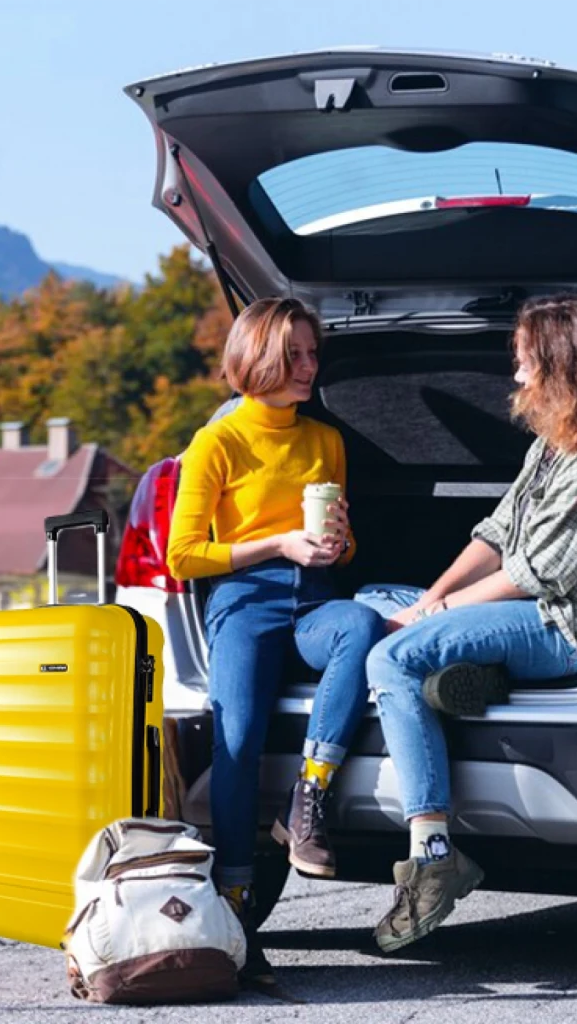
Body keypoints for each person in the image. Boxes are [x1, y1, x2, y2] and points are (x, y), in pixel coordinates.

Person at [356, 294, 577, 953]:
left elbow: (535, 574)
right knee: (375, 598)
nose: (516, 377)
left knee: (389, 657)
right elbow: (498, 533)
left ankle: (435, 856)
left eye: (524, 364)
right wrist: (431, 596)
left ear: (563, 366)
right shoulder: (556, 444)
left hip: (564, 627)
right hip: (523, 606)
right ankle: (468, 674)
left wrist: (432, 617)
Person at [166, 297, 385, 983]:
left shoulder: (326, 440)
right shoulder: (218, 442)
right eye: (293, 354)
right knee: (237, 742)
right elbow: (183, 555)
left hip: (314, 603)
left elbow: (345, 550)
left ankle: (309, 796)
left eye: (312, 353)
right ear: (254, 356)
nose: (307, 366)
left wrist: (338, 542)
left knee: (361, 625)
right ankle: (235, 913)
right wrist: (276, 545)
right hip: (245, 604)